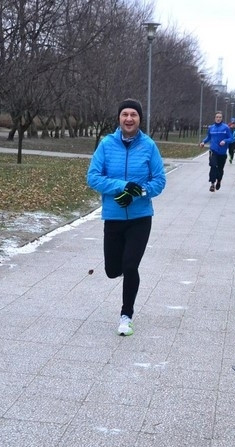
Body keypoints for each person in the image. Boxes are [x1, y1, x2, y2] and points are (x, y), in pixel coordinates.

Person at [86, 98, 167, 336]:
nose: (129, 118)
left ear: (140, 119)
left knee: (131, 266)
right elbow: (93, 177)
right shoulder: (106, 144)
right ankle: (123, 269)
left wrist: (139, 191)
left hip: (140, 218)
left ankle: (126, 315)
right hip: (113, 217)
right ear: (119, 118)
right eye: (125, 114)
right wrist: (122, 186)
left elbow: (159, 180)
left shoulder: (149, 146)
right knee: (113, 270)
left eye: (133, 114)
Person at [200, 111, 235, 192]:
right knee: (213, 165)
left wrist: (225, 141)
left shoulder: (226, 128)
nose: (218, 118)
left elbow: (232, 138)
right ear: (215, 118)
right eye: (217, 117)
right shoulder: (211, 128)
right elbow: (208, 137)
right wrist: (203, 142)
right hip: (213, 150)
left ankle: (219, 181)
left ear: (222, 118)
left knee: (220, 169)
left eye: (220, 117)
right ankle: (212, 184)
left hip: (222, 153)